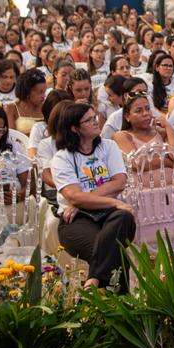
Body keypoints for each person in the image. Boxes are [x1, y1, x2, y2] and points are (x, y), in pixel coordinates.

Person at [49, 102, 136, 291]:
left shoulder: (108, 146)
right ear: (74, 128)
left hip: (109, 215)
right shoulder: (62, 158)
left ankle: (93, 281)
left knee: (124, 216)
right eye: (89, 120)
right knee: (116, 252)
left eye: (95, 117)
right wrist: (111, 201)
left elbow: (119, 181)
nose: (97, 122)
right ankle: (121, 306)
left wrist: (82, 200)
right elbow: (73, 196)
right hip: (75, 220)